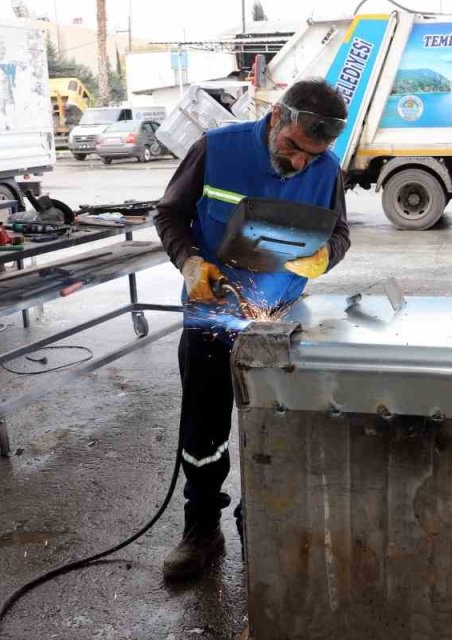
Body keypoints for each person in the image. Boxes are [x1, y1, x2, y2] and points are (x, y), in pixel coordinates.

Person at [153, 79, 351, 581]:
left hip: (279, 322)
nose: (300, 162)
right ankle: (201, 530)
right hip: (211, 314)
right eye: (293, 147)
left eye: (312, 154)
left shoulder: (327, 170)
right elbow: (169, 213)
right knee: (205, 429)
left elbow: (340, 233)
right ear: (276, 119)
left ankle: (261, 523)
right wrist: (191, 263)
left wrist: (326, 256)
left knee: (277, 426)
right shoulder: (217, 148)